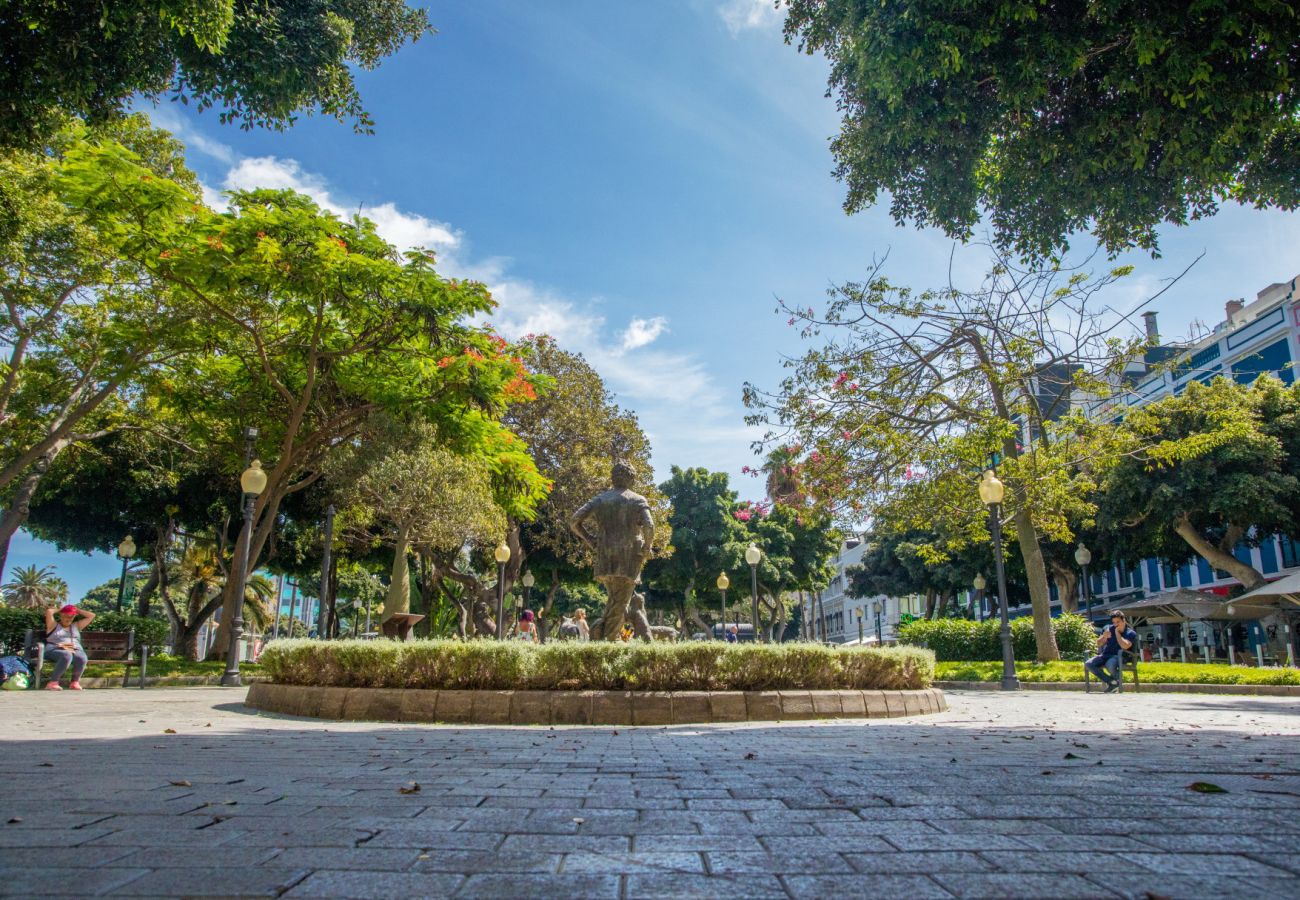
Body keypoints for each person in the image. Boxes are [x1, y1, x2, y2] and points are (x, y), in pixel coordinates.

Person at [570, 461, 655, 641]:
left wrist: (591, 540)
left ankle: (602, 637)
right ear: (631, 478)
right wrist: (647, 548)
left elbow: (574, 521)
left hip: (605, 556)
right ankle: (605, 645)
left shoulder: (600, 500)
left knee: (616, 601)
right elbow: (649, 525)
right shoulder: (638, 500)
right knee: (619, 602)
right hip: (630, 557)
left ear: (613, 478)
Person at [43, 603, 94, 691]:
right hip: (54, 649)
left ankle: (75, 683)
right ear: (61, 615)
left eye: (72, 616)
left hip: (74, 649)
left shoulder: (76, 626)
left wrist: (75, 610)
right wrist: (62, 609)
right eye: (66, 615)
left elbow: (91, 615)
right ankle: (53, 683)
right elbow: (49, 611)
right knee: (66, 655)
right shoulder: (53, 625)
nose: (69, 618)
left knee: (82, 657)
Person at [1085, 611, 1137, 693]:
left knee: (1110, 663)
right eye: (1114, 622)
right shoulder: (1108, 628)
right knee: (1088, 663)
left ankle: (1115, 684)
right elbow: (1099, 644)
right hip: (1105, 655)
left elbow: (1125, 646)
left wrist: (1117, 633)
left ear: (1124, 620)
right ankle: (1112, 682)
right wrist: (1104, 637)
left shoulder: (1131, 633)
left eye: (1118, 622)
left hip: (1120, 656)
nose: (1115, 624)